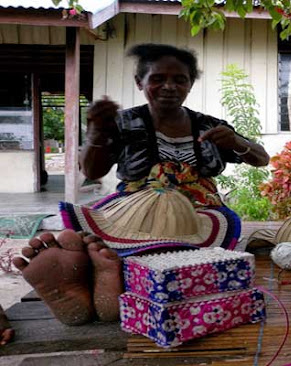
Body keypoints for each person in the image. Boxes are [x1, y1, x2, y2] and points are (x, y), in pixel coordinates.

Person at [12, 44, 270, 326]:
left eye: (179, 79)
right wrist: (98, 132)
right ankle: (99, 278)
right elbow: (92, 170)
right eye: (158, 78)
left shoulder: (210, 125)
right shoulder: (123, 122)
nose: (169, 86)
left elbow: (262, 159)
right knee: (108, 231)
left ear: (190, 84)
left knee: (193, 242)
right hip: (136, 208)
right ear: (140, 83)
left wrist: (237, 142)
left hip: (197, 210)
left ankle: (110, 281)